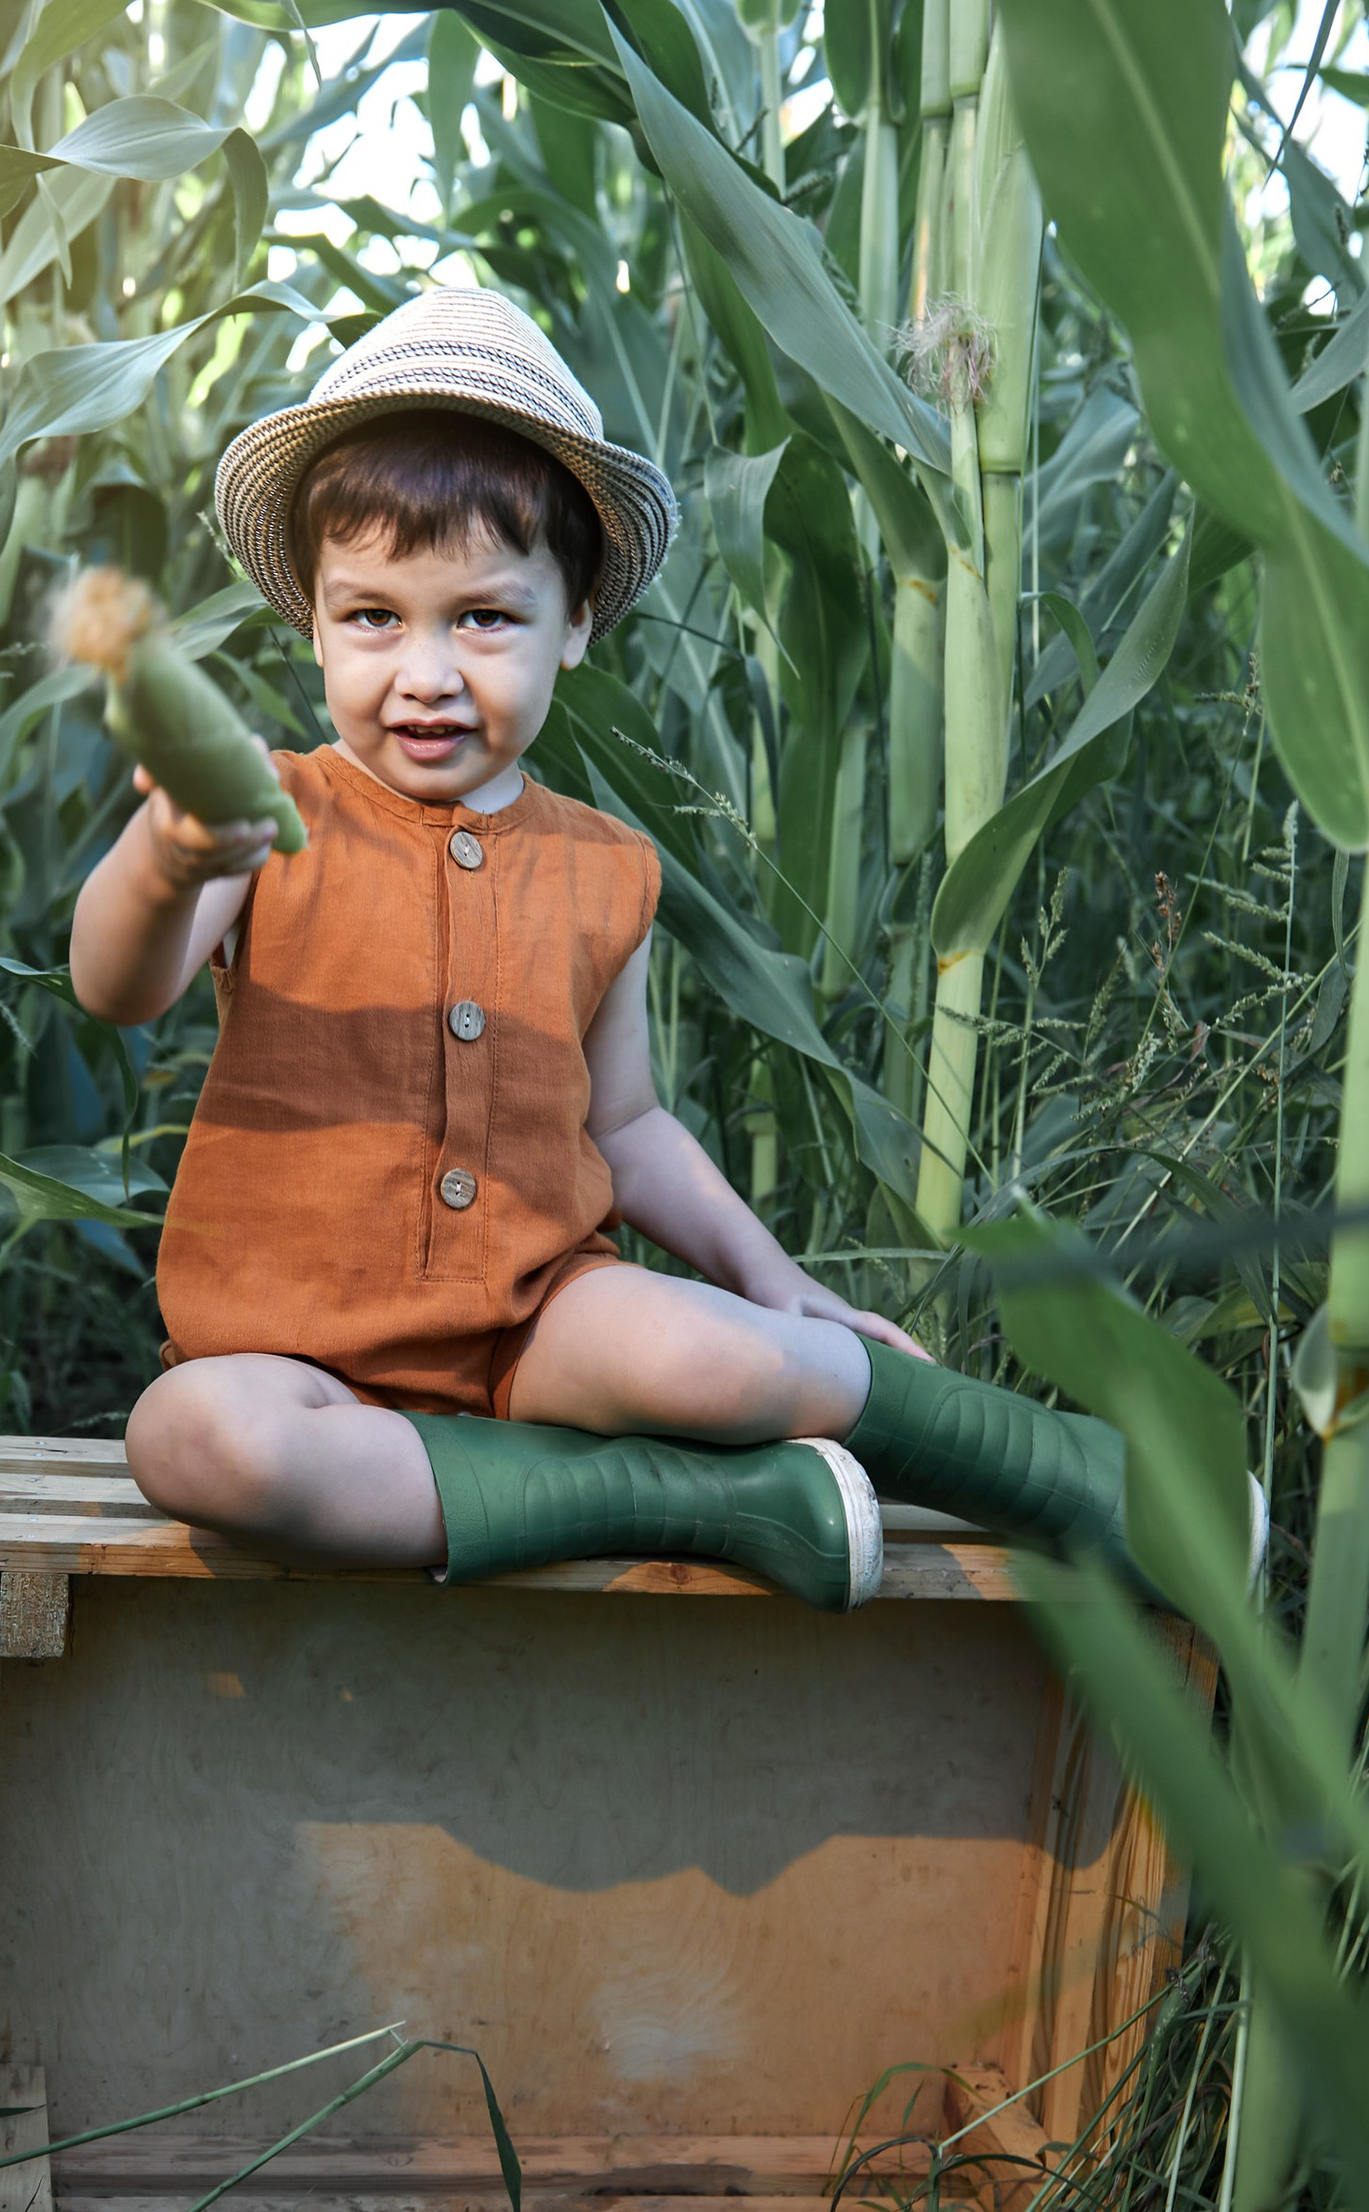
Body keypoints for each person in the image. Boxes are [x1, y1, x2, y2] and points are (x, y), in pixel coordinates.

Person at [68, 287, 1143, 1610]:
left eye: (484, 617)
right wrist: (168, 858)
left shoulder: (603, 869)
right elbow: (120, 986)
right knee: (193, 1439)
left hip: (538, 1327)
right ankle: (706, 1498)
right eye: (373, 618)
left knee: (731, 1360)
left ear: (575, 622)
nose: (427, 671)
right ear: (314, 623)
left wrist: (772, 1277)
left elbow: (625, 1128)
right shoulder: (268, 814)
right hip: (299, 1349)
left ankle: (1081, 1481)